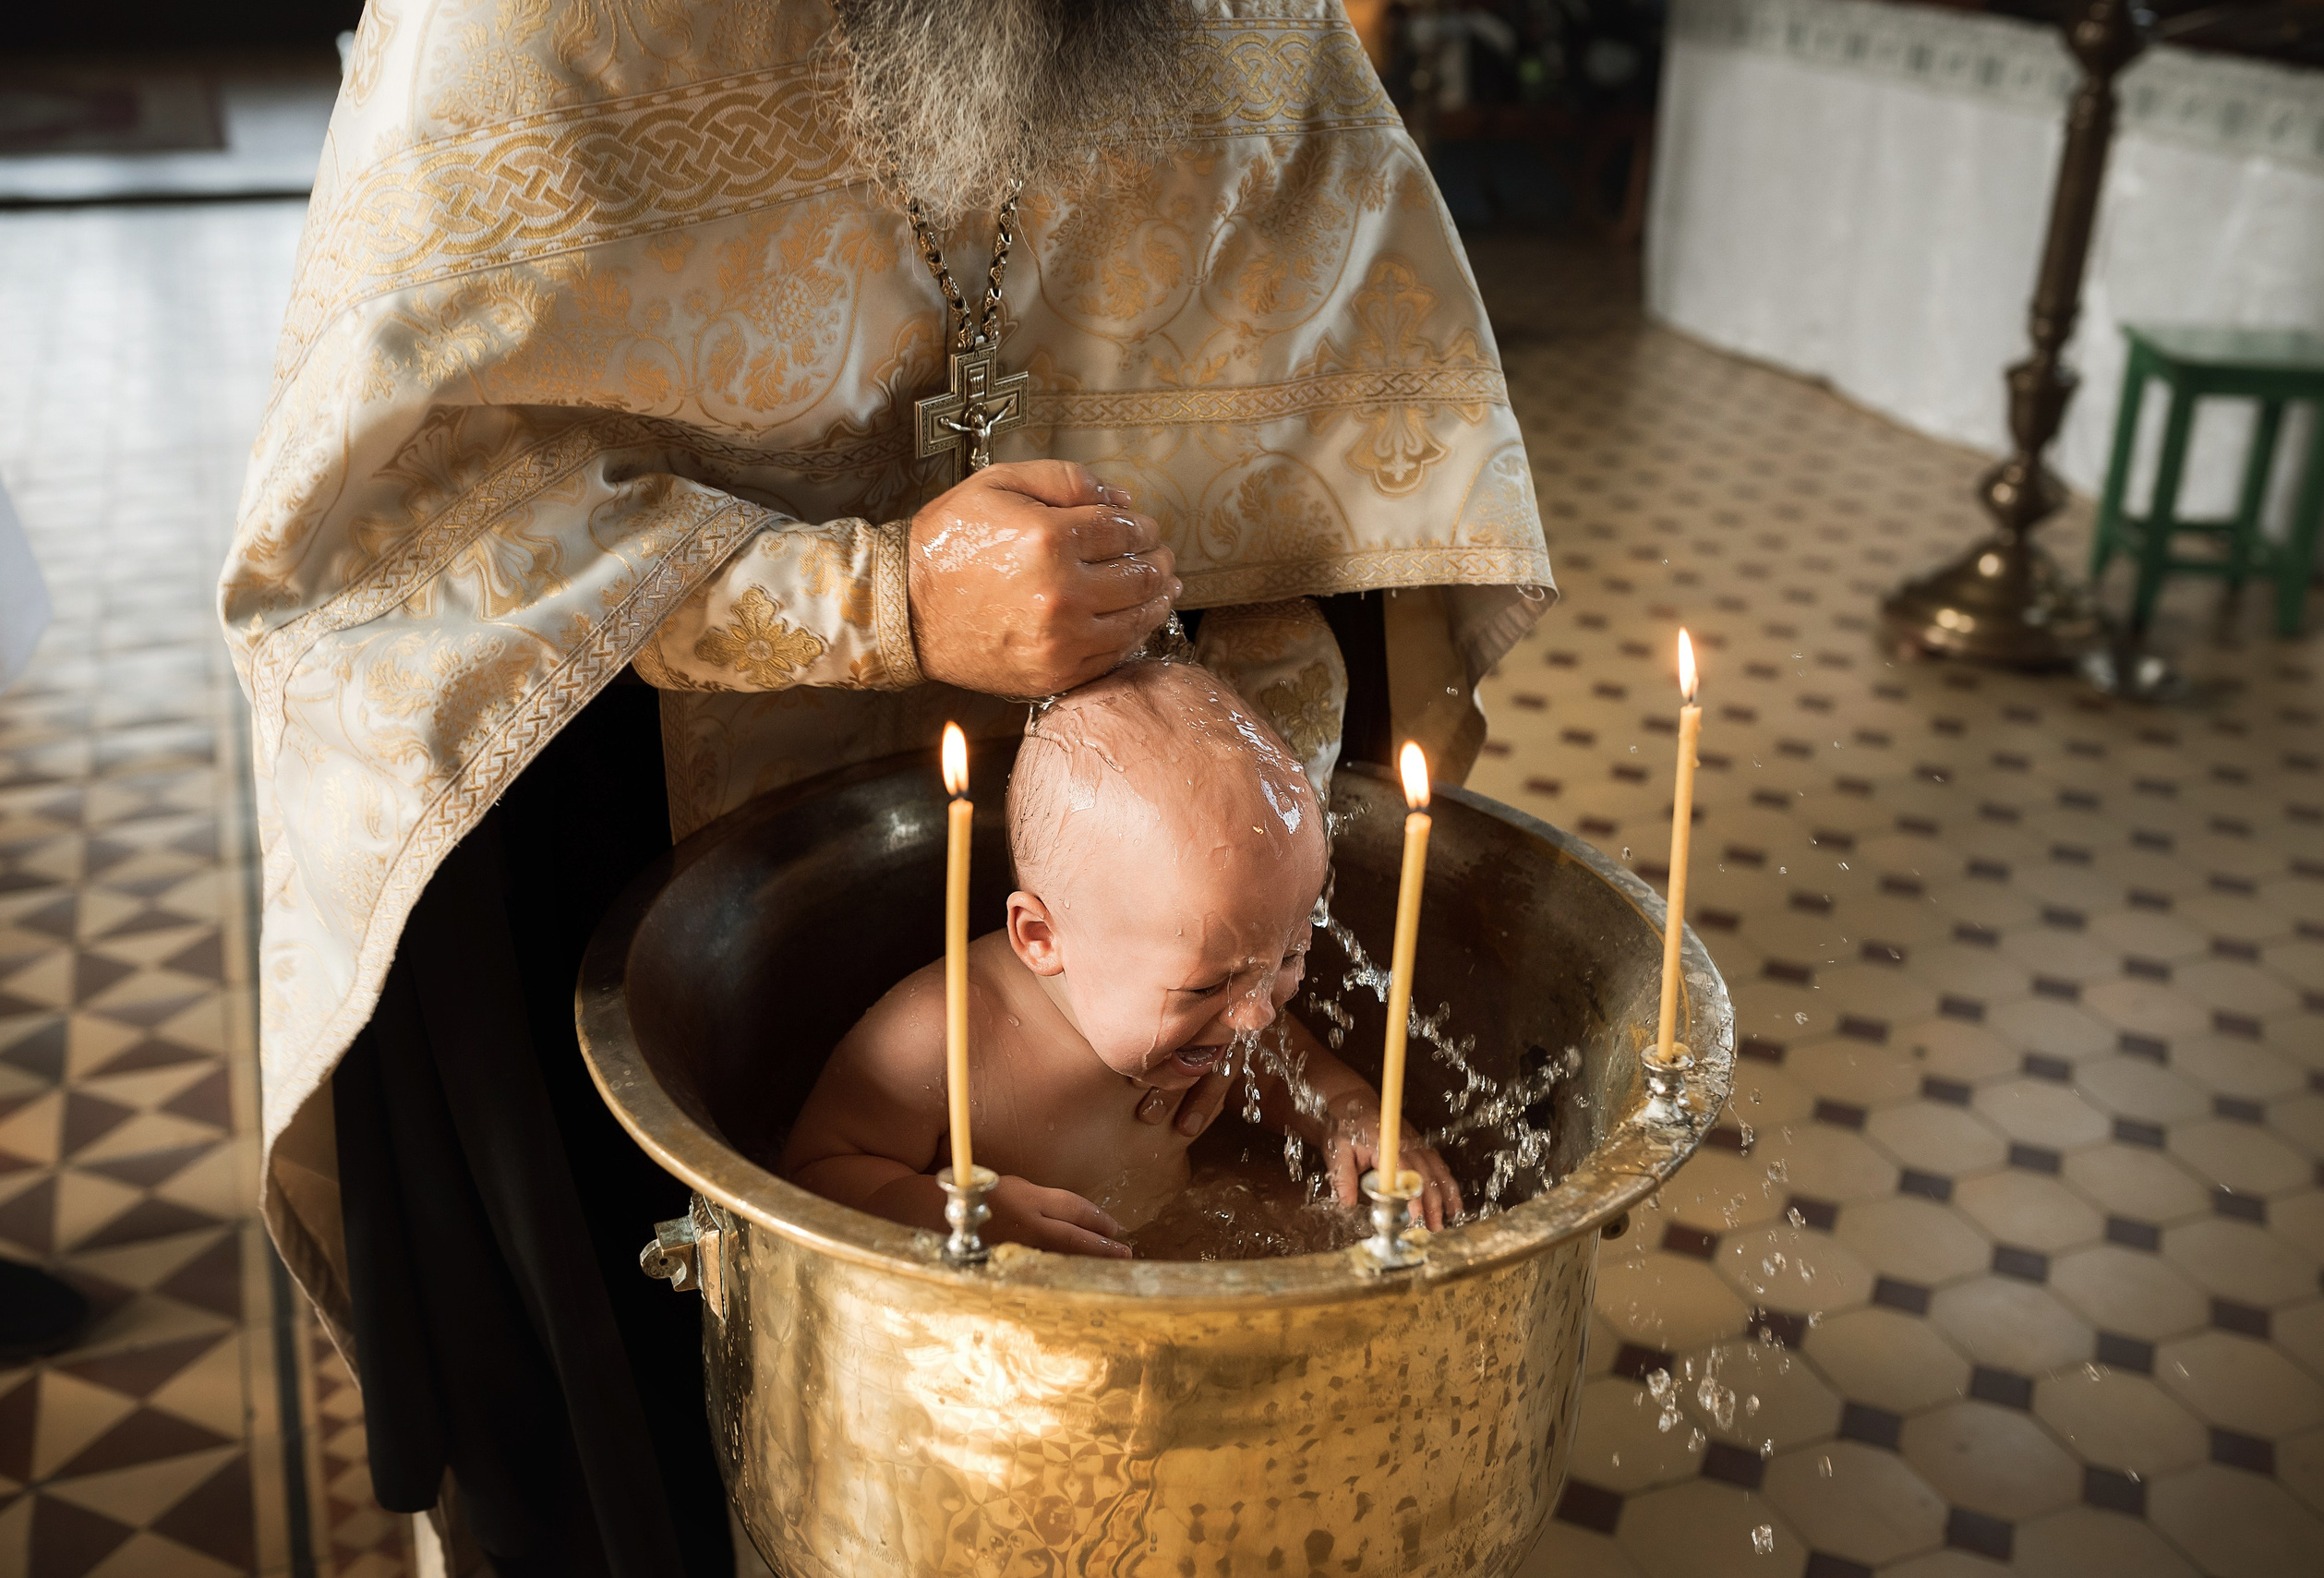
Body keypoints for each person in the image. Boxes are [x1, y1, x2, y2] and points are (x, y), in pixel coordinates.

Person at [223, 0, 1553, 1572]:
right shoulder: (529, 29)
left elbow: (1360, 449)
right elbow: (394, 542)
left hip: (1129, 847)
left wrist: (1215, 782)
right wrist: (876, 598)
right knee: (682, 1463)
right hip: (618, 835)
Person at [781, 662, 1461, 1255]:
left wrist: (1354, 1110)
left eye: (1290, 954)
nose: (1255, 1015)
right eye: (1207, 986)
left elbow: (1292, 1069)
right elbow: (814, 1177)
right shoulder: (940, 1040)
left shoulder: (1220, 1011)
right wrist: (956, 1216)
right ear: (1042, 938)